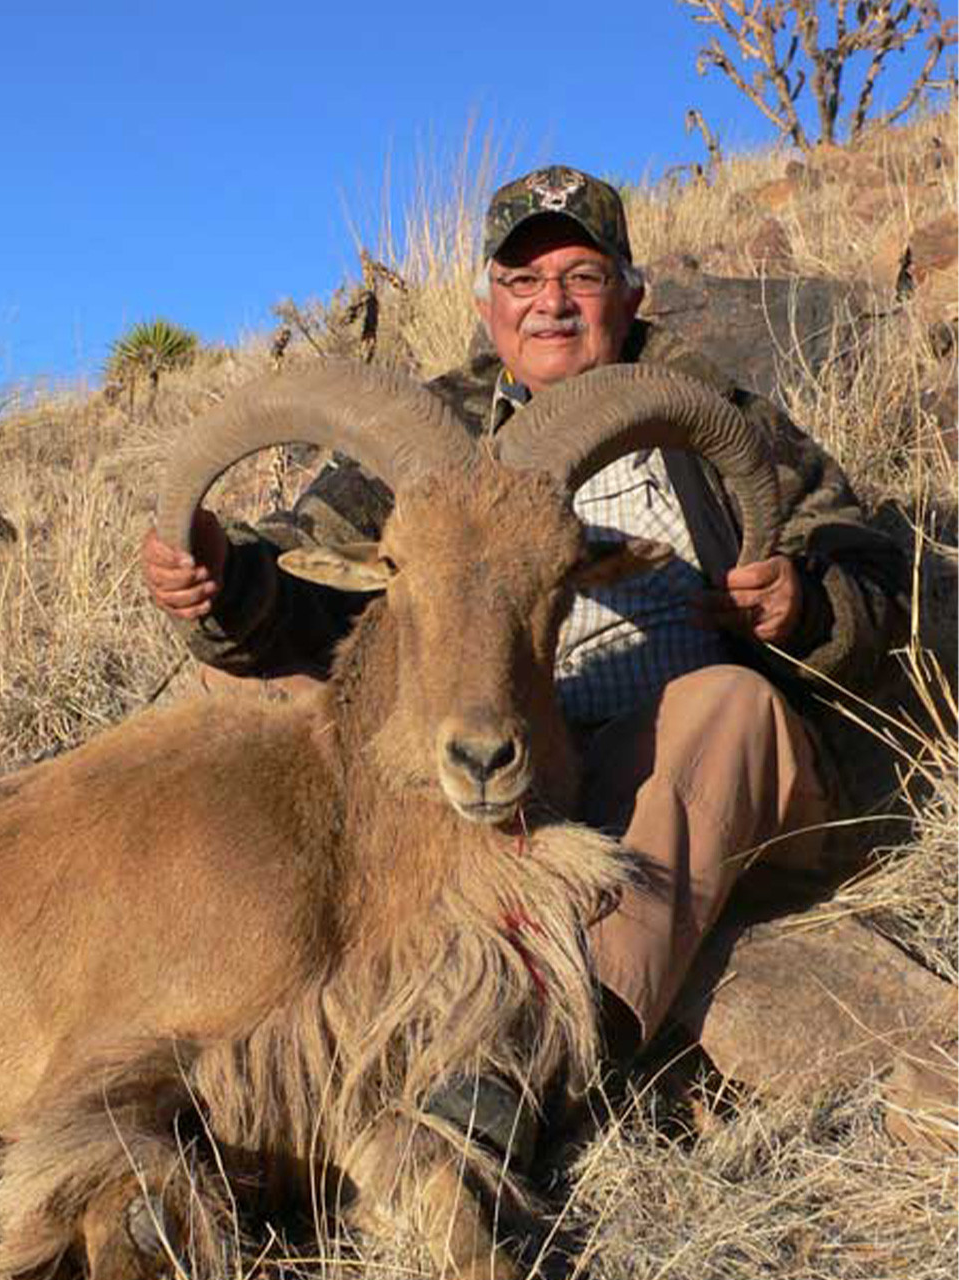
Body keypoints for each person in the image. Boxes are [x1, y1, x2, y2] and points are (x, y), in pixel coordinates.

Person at [139, 165, 907, 1072]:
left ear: (629, 293)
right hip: (517, 760)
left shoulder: (710, 416)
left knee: (726, 703)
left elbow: (874, 582)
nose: (551, 304)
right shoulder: (435, 433)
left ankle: (537, 1055)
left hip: (684, 769)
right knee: (240, 688)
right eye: (522, 281)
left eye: (581, 277)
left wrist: (803, 604)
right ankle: (218, 990)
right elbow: (313, 585)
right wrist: (225, 582)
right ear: (488, 303)